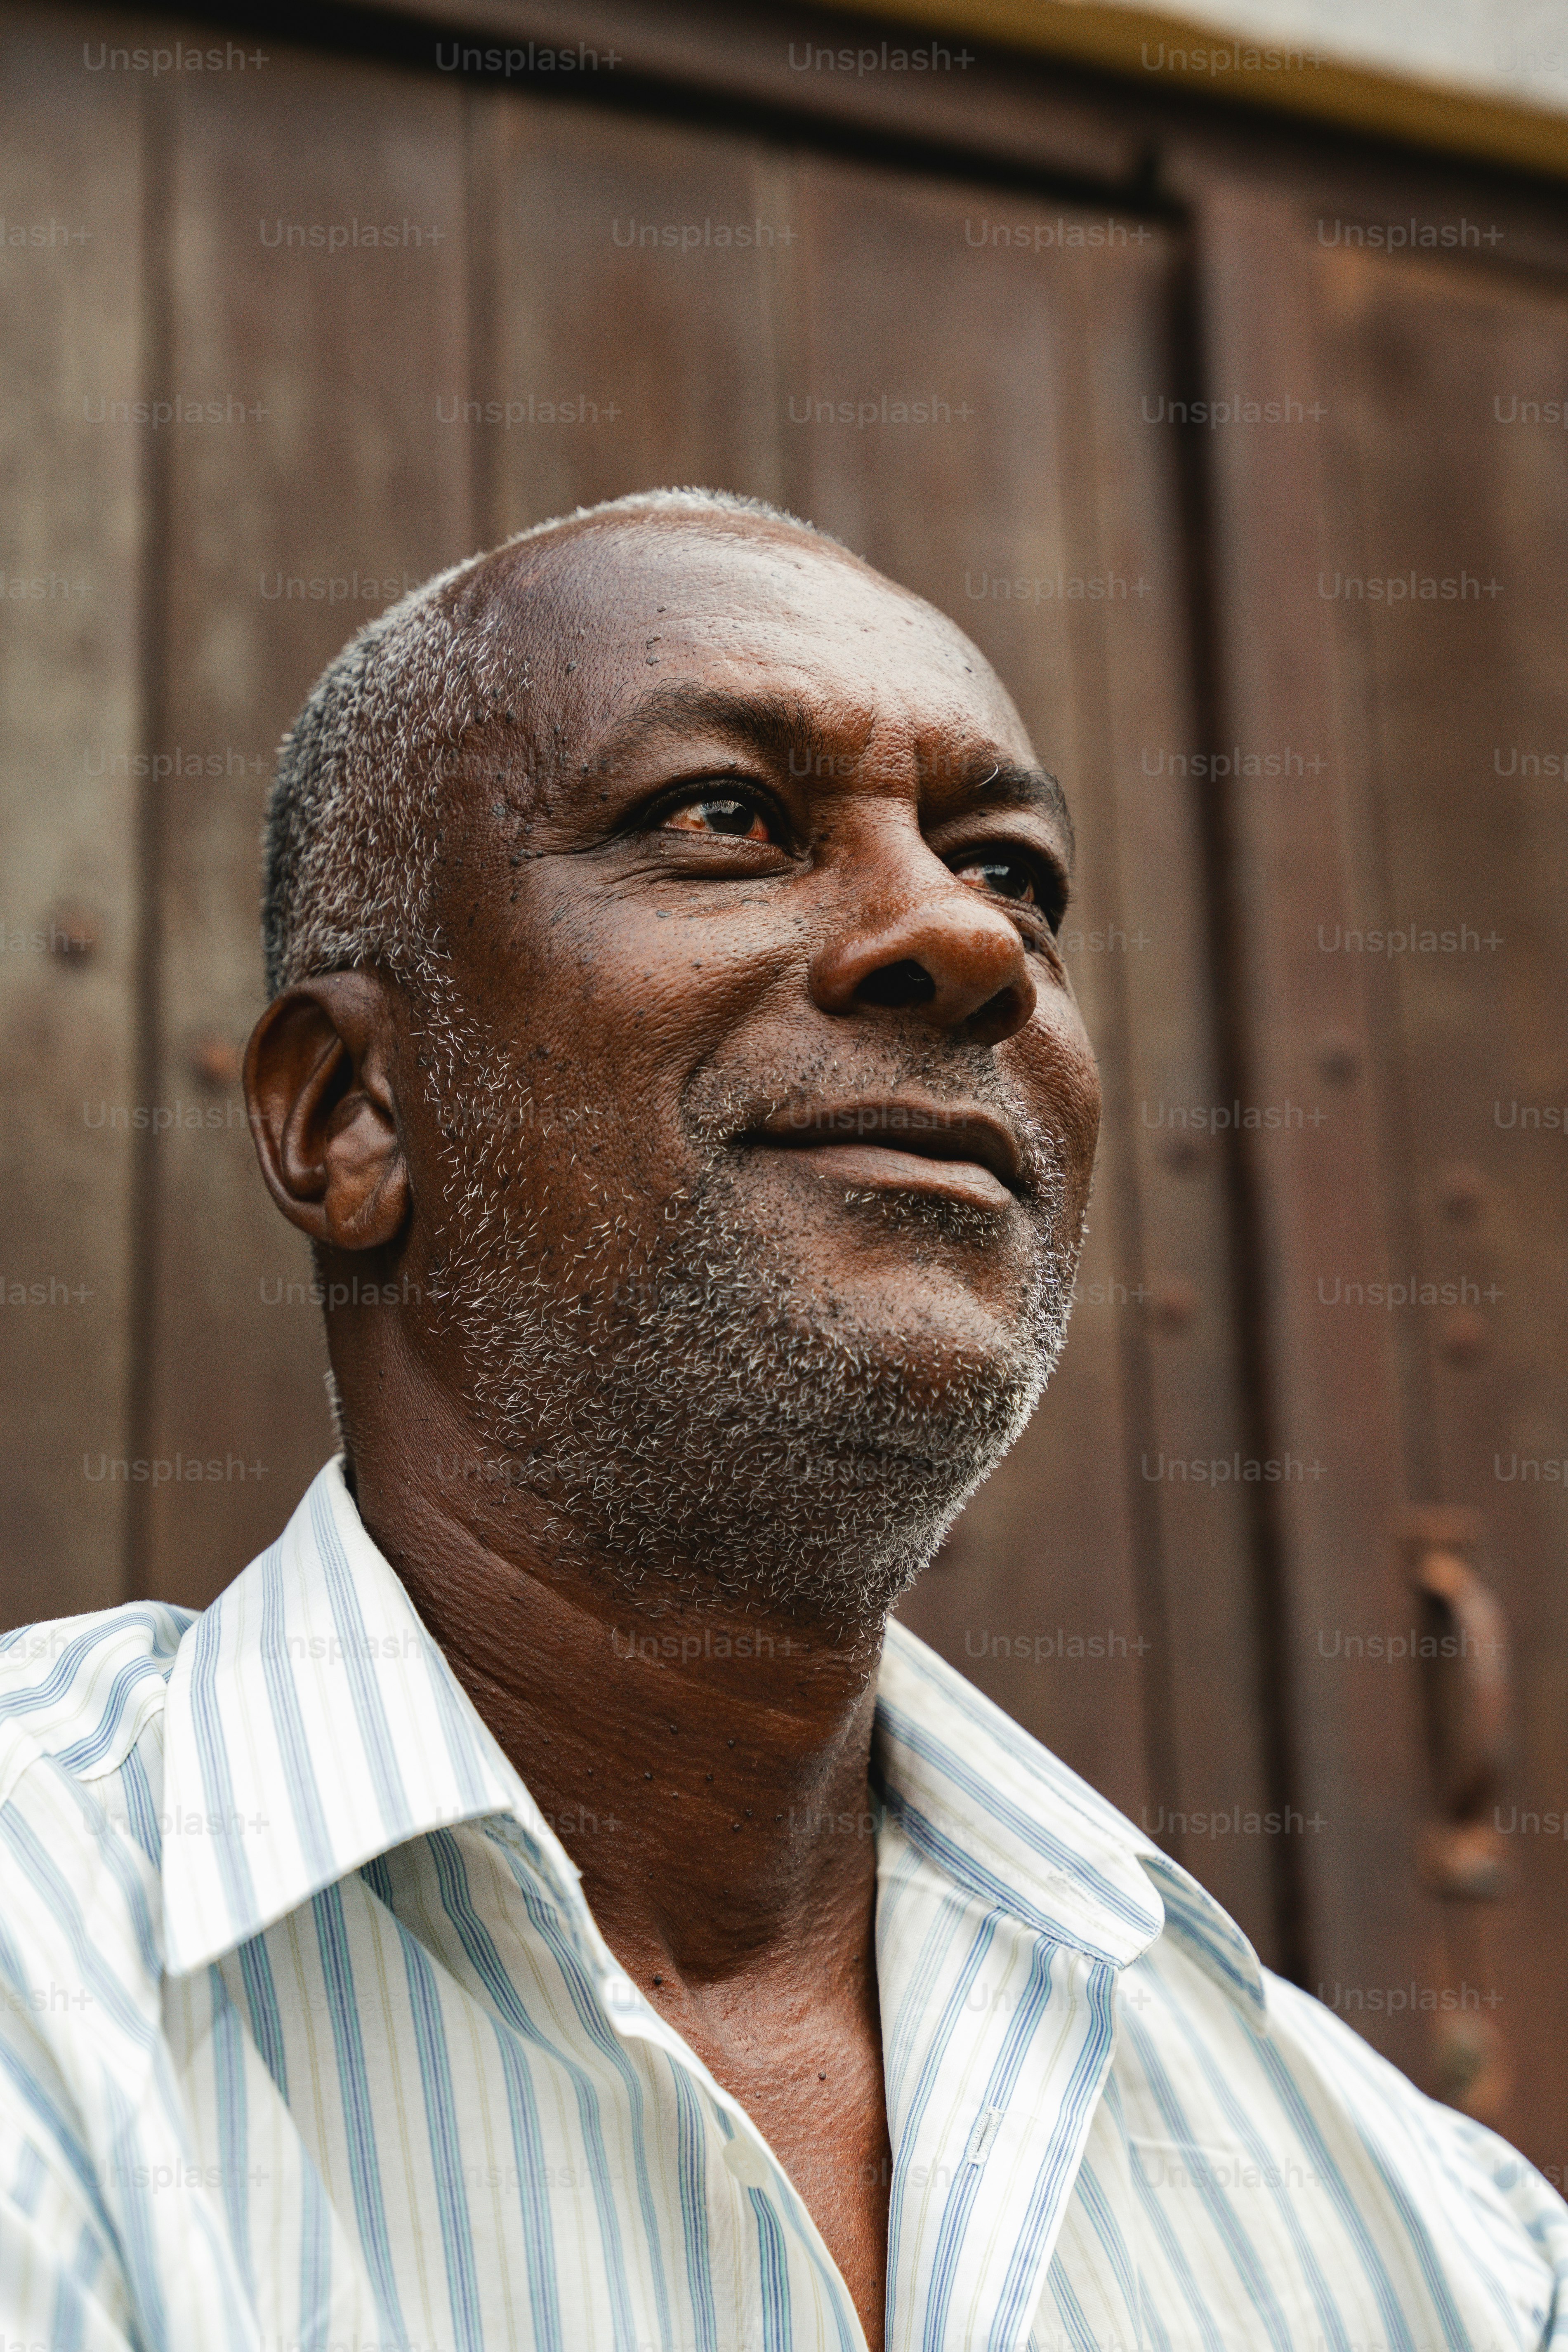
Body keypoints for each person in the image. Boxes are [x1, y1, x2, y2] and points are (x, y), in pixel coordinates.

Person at [1, 490, 1563, 2352]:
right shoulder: (49, 1958)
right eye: (724, 819)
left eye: (1013, 871)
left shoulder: (1432, 2245)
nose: (965, 940)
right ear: (350, 1111)